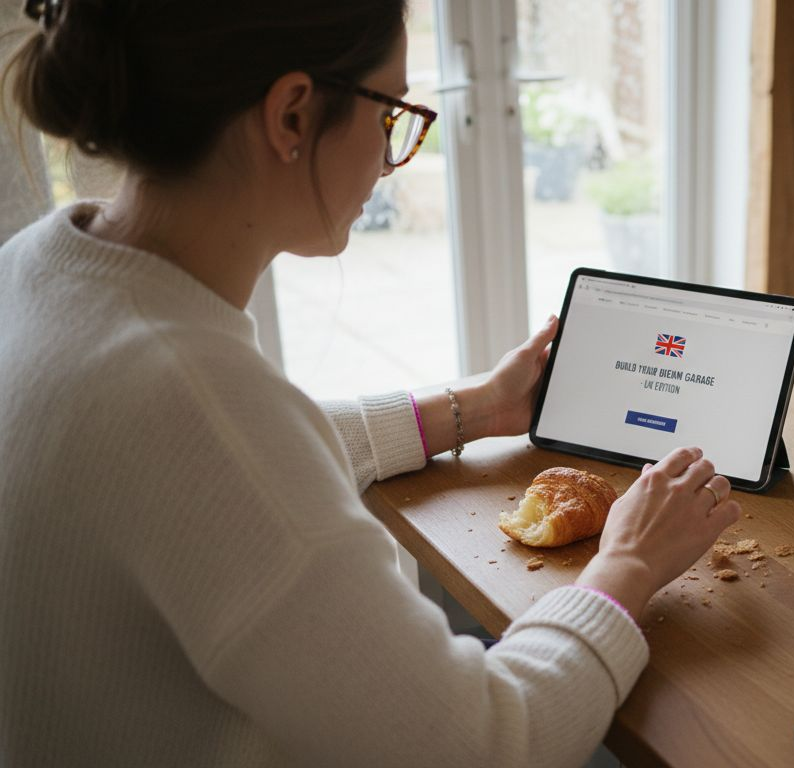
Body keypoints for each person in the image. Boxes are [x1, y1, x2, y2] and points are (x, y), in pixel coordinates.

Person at [0, 1, 740, 766]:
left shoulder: (36, 269)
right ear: (291, 116)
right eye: (392, 114)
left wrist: (472, 410)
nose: (396, 157)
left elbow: (245, 458)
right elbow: (487, 743)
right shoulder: (192, 405)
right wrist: (631, 561)